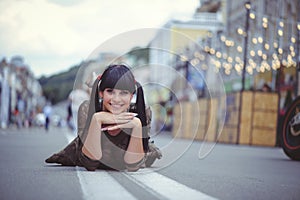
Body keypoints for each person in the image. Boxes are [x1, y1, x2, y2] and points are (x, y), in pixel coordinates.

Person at [45, 64, 162, 171]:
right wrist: (97, 120)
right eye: (110, 91)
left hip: (132, 156)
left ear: (131, 96)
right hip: (87, 154)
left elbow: (132, 166)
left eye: (124, 93)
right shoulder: (87, 109)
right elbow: (89, 163)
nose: (116, 99)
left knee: (148, 153)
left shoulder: (141, 112)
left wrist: (136, 125)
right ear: (101, 93)